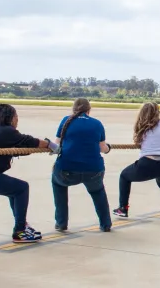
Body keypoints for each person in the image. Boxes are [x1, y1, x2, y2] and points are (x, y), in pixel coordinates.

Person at [0, 104, 60, 243]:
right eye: (16, 116)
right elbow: (29, 141)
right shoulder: (6, 131)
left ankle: (22, 226)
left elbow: (20, 148)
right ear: (10, 117)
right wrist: (50, 144)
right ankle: (20, 231)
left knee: (15, 190)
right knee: (21, 188)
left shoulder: (0, 131)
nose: (17, 120)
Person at [51, 98, 112, 232]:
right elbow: (103, 148)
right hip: (94, 169)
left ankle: (61, 222)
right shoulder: (97, 123)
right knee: (98, 191)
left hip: (67, 170)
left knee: (58, 184)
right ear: (89, 110)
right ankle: (105, 224)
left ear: (74, 109)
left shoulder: (66, 121)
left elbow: (56, 145)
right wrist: (109, 148)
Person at [113, 102, 160, 218]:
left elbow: (139, 143)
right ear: (158, 113)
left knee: (124, 176)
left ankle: (123, 208)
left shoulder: (142, 127)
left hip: (147, 164)